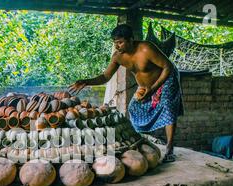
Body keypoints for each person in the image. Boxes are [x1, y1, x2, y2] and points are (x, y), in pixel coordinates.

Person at [68, 24, 184, 162]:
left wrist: (153, 89)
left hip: (167, 78)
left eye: (120, 42)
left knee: (168, 109)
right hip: (146, 86)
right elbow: (105, 77)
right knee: (133, 108)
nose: (117, 46)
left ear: (131, 40)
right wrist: (87, 81)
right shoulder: (118, 57)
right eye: (115, 43)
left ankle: (169, 149)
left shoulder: (146, 48)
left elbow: (167, 67)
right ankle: (141, 141)